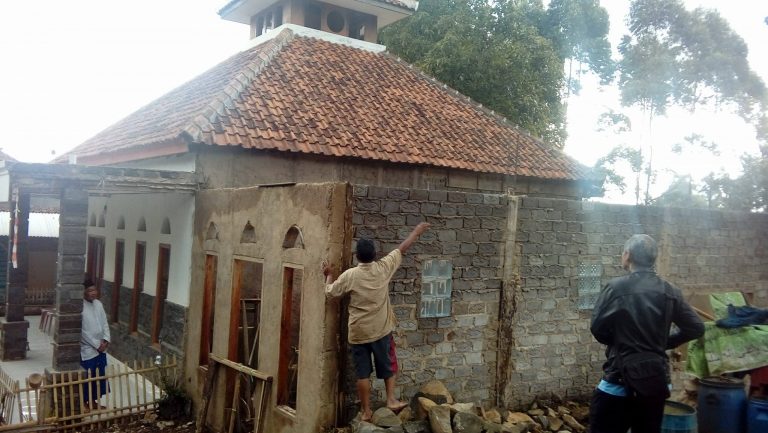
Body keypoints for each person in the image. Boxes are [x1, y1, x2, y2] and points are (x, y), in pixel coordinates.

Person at [589, 234, 704, 433]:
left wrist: (619, 342)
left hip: (619, 381)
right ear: (653, 259)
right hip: (655, 383)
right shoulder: (671, 291)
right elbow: (696, 327)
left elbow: (597, 328)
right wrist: (663, 343)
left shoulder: (617, 288)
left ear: (627, 256)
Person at [323, 222, 431, 422]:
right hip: (381, 330)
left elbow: (331, 293)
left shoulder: (350, 275)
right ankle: (391, 399)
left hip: (358, 333)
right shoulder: (383, 268)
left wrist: (329, 275)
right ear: (374, 255)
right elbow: (402, 248)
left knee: (362, 373)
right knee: (388, 365)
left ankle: (366, 411)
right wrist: (416, 231)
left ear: (357, 257)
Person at [80, 279, 110, 412]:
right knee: (88, 376)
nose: (93, 293)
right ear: (84, 292)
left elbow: (105, 323)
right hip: (88, 348)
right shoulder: (80, 306)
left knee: (99, 375)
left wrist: (106, 340)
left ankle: (94, 401)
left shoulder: (99, 304)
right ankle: (85, 402)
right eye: (90, 291)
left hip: (102, 347)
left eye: (94, 290)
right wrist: (96, 344)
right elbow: (82, 331)